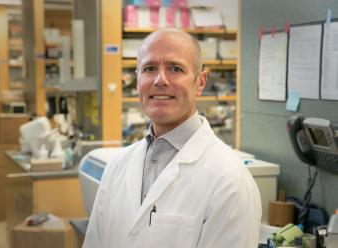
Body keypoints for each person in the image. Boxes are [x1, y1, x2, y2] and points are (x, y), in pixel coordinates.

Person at [82, 28, 261, 248]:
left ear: (201, 82)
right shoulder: (117, 167)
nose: (160, 80)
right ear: (137, 80)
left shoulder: (231, 181)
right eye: (149, 68)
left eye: (175, 68)